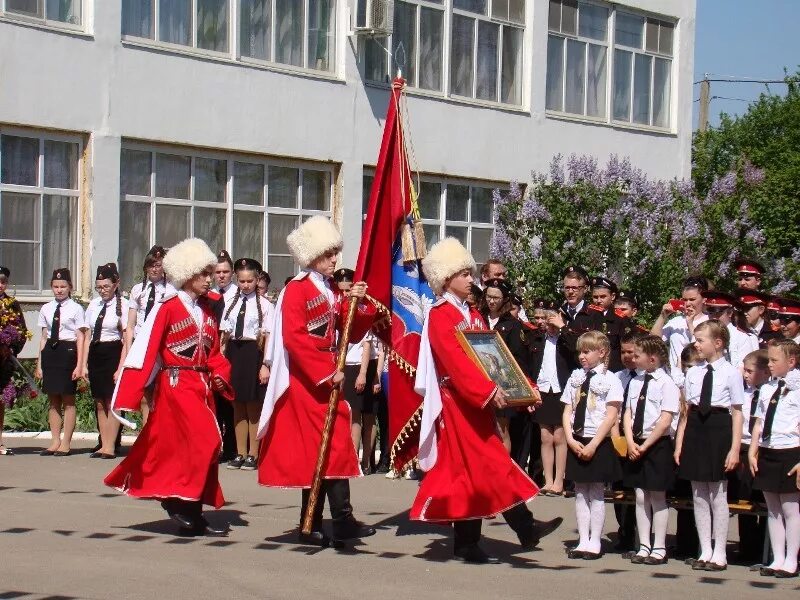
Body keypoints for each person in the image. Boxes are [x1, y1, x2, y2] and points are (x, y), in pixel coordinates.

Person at [411, 237, 557, 565]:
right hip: (459, 403)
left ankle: (481, 539)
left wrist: (524, 389)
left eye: (468, 272)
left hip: (476, 404)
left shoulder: (471, 314)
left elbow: (494, 357)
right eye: (462, 273)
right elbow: (455, 361)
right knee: (485, 465)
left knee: (475, 472)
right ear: (446, 278)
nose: (470, 278)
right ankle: (520, 527)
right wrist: (487, 392)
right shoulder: (441, 315)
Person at [257, 216, 377, 548]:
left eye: (335, 253)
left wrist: (358, 302)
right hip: (309, 382)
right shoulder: (297, 290)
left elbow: (349, 331)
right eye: (328, 254)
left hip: (327, 376)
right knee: (321, 450)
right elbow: (294, 338)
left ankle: (332, 519)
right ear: (312, 256)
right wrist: (326, 371)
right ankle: (323, 521)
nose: (335, 260)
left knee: (331, 446)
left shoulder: (328, 290)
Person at [104, 238, 233, 536]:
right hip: (176, 383)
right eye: (203, 274)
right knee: (206, 440)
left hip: (201, 385)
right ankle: (177, 501)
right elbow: (146, 350)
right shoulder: (168, 308)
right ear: (187, 275)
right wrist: (131, 391)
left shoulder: (208, 311)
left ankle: (191, 509)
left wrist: (219, 374)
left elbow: (214, 353)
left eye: (209, 273)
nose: (209, 279)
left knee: (197, 447)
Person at [674, 320, 744, 571]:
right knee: (698, 493)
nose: (696, 344)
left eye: (701, 340)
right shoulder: (693, 372)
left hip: (718, 427)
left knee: (718, 493)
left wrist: (735, 448)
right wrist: (680, 443)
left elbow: (737, 412)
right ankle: (705, 549)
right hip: (696, 428)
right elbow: (686, 411)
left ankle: (720, 551)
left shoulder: (731, 373)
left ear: (718, 343)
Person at [562, 330, 624, 560]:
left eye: (587, 351)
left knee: (596, 492)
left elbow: (611, 416)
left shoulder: (611, 379)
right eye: (580, 351)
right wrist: (569, 438)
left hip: (598, 440)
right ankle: (583, 540)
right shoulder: (576, 376)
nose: (582, 356)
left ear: (602, 352)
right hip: (578, 438)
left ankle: (595, 540)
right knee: (580, 491)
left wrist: (594, 444)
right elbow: (568, 409)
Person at [622, 335, 680, 565]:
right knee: (639, 496)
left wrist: (646, 445)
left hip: (657, 445)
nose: (633, 359)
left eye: (637, 355)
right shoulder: (636, 381)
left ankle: (659, 546)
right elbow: (628, 413)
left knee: (657, 496)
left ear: (653, 359)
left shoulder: (667, 384)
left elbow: (665, 420)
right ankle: (643, 544)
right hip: (636, 443)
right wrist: (629, 441)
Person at [748, 339, 800, 578]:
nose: (769, 364)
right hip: (769, 450)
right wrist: (753, 450)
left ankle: (791, 559)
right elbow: (759, 421)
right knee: (773, 509)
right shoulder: (768, 388)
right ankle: (777, 558)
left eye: (774, 360)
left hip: (790, 451)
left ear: (791, 362)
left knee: (791, 509)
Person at [220, 258, 274, 471]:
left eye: (250, 280)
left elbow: (268, 336)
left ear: (257, 279)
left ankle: (254, 453)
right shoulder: (231, 303)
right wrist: (222, 360)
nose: (245, 285)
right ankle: (240, 452)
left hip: (254, 352)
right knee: (237, 404)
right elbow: (225, 334)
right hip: (235, 351)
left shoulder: (265, 305)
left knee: (253, 405)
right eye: (241, 281)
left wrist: (265, 364)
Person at [480, 278, 535, 465]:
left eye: (496, 297)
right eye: (488, 296)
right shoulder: (478, 317)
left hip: (502, 384)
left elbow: (519, 359)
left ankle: (502, 469)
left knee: (501, 430)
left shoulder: (513, 325)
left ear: (505, 299)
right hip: (480, 381)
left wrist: (524, 387)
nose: (491, 301)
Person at [35, 269, 87, 457]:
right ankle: (55, 440)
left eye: (63, 286)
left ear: (70, 287)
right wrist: (40, 364)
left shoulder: (76, 308)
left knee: (68, 399)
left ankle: (66, 442)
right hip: (50, 351)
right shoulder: (46, 308)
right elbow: (43, 337)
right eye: (56, 287)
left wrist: (80, 364)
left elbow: (81, 337)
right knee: (53, 400)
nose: (59, 290)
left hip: (68, 351)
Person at [124, 245, 174, 427]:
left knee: (159, 390)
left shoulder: (171, 289)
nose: (154, 269)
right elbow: (130, 325)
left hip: (161, 344)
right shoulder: (138, 290)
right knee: (144, 388)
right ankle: (146, 430)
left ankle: (158, 430)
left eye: (158, 265)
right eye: (151, 265)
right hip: (142, 344)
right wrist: (130, 351)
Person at [82, 263, 128, 459]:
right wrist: (83, 364)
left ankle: (110, 445)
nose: (102, 291)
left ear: (116, 284)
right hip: (96, 353)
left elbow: (126, 338)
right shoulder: (94, 305)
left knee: (112, 401)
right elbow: (87, 335)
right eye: (99, 287)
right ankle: (103, 443)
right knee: (99, 401)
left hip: (114, 352)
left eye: (106, 286)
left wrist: (121, 367)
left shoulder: (124, 305)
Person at [529, 299, 571, 496]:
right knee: (545, 437)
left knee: (559, 436)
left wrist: (562, 329)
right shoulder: (537, 339)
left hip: (561, 391)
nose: (549, 323)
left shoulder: (565, 339)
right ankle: (548, 480)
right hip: (543, 390)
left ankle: (559, 480)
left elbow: (576, 348)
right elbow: (530, 366)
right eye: (546, 320)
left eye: (552, 319)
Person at [732, 349, 770, 564]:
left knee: (764, 501)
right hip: (744, 446)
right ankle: (747, 547)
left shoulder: (769, 394)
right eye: (744, 370)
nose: (745, 375)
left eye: (750, 371)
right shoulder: (743, 395)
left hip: (763, 449)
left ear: (765, 372)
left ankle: (766, 548)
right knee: (743, 498)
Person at [614, 331, 647, 555]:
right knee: (620, 489)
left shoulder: (648, 378)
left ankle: (642, 536)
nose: (627, 356)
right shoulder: (618, 377)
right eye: (623, 352)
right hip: (620, 438)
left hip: (641, 437)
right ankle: (624, 533)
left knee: (641, 490)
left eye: (632, 352)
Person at [565, 276, 635, 373]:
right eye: (595, 297)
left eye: (603, 297)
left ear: (613, 296)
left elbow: (627, 348)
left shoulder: (620, 319)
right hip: (587, 370)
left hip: (613, 371)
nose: (598, 301)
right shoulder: (585, 316)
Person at [650, 275, 710, 377]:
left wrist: (690, 323)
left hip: (698, 375)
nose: (688, 304)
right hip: (674, 376)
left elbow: (700, 347)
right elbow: (653, 340)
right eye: (684, 300)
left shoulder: (708, 320)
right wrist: (663, 316)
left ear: (704, 299)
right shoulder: (676, 321)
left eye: (692, 299)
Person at [213, 249, 238, 461]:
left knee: (231, 402)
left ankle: (232, 447)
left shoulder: (238, 296)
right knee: (215, 401)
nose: (221, 275)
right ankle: (217, 445)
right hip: (213, 353)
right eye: (218, 272)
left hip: (232, 352)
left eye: (225, 271)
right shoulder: (210, 296)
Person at [0, 266, 28, 456]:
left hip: (2, 361)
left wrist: (9, 348)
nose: (1, 285)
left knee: (0, 401)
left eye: (3, 281)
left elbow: (22, 332)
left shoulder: (12, 304)